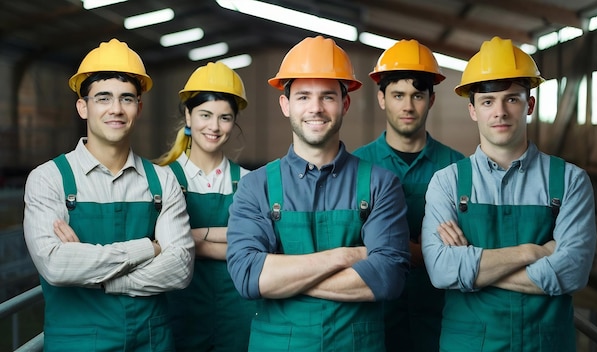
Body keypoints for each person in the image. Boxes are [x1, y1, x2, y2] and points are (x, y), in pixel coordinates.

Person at [226, 35, 411, 352]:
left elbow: (388, 277)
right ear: (285, 105)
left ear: (345, 103)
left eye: (327, 96)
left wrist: (285, 277)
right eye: (303, 97)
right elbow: (249, 277)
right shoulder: (255, 186)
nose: (315, 108)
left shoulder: (381, 184)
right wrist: (347, 256)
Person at [421, 36, 597, 351]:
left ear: (529, 105)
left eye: (512, 99)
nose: (499, 111)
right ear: (473, 109)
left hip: (546, 344)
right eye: (488, 101)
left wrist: (472, 270)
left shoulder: (570, 181)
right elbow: (441, 270)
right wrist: (533, 253)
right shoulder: (446, 183)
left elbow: (572, 273)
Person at [23, 38, 194, 351]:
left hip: (152, 342)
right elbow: (56, 266)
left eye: (127, 99)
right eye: (103, 98)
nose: (116, 109)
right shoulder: (49, 179)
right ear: (82, 106)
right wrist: (148, 249)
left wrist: (98, 275)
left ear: (138, 108)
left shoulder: (162, 181)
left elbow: (180, 269)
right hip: (76, 344)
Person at [353, 39, 465, 351]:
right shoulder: (356, 167)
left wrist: (386, 248)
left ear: (431, 99)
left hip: (441, 322)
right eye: (398, 95)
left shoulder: (458, 167)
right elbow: (349, 242)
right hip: (375, 323)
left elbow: (466, 248)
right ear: (381, 99)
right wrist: (431, 252)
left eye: (417, 95)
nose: (407, 106)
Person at [155, 61, 256, 352]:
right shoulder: (162, 180)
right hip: (178, 317)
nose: (214, 126)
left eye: (225, 117)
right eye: (205, 115)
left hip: (238, 321)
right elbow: (153, 247)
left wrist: (189, 237)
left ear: (234, 122)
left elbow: (257, 248)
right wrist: (232, 237)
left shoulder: (250, 183)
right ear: (188, 116)